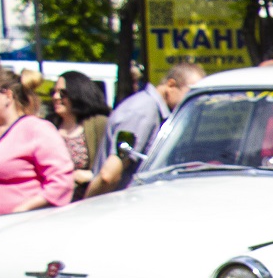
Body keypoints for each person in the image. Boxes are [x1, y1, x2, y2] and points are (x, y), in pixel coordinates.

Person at [0, 69, 74, 219]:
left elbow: (62, 182)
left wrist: (22, 209)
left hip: (17, 227)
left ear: (7, 95)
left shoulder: (36, 129)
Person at [86, 63, 205, 196]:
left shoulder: (152, 110)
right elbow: (108, 175)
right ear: (171, 85)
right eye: (190, 93)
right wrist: (86, 206)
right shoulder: (143, 112)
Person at [49, 71, 109, 194]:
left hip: (87, 199)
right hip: (53, 198)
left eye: (63, 93)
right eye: (54, 92)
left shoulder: (99, 123)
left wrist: (91, 175)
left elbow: (110, 165)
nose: (56, 97)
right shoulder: (48, 126)